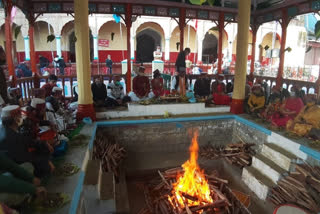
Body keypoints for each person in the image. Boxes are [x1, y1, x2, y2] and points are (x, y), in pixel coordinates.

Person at [0, 105, 54, 178]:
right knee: (43, 163)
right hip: (16, 166)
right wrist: (45, 161)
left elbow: (28, 141)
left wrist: (45, 143)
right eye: (19, 115)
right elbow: (24, 158)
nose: (21, 117)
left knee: (43, 147)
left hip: (21, 158)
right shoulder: (10, 137)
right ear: (14, 119)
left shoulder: (10, 129)